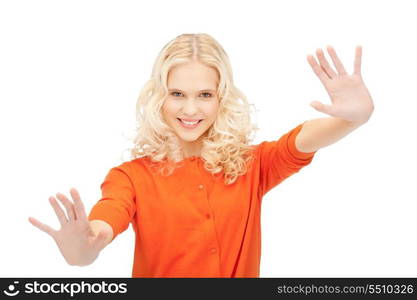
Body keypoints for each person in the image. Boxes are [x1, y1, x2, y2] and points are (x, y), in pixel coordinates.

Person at [28, 33, 374, 277]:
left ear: (221, 98)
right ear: (158, 97)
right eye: (177, 93)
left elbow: (302, 140)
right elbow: (99, 231)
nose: (190, 109)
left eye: (205, 94)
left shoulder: (251, 165)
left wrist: (354, 116)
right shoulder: (130, 177)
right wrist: (84, 245)